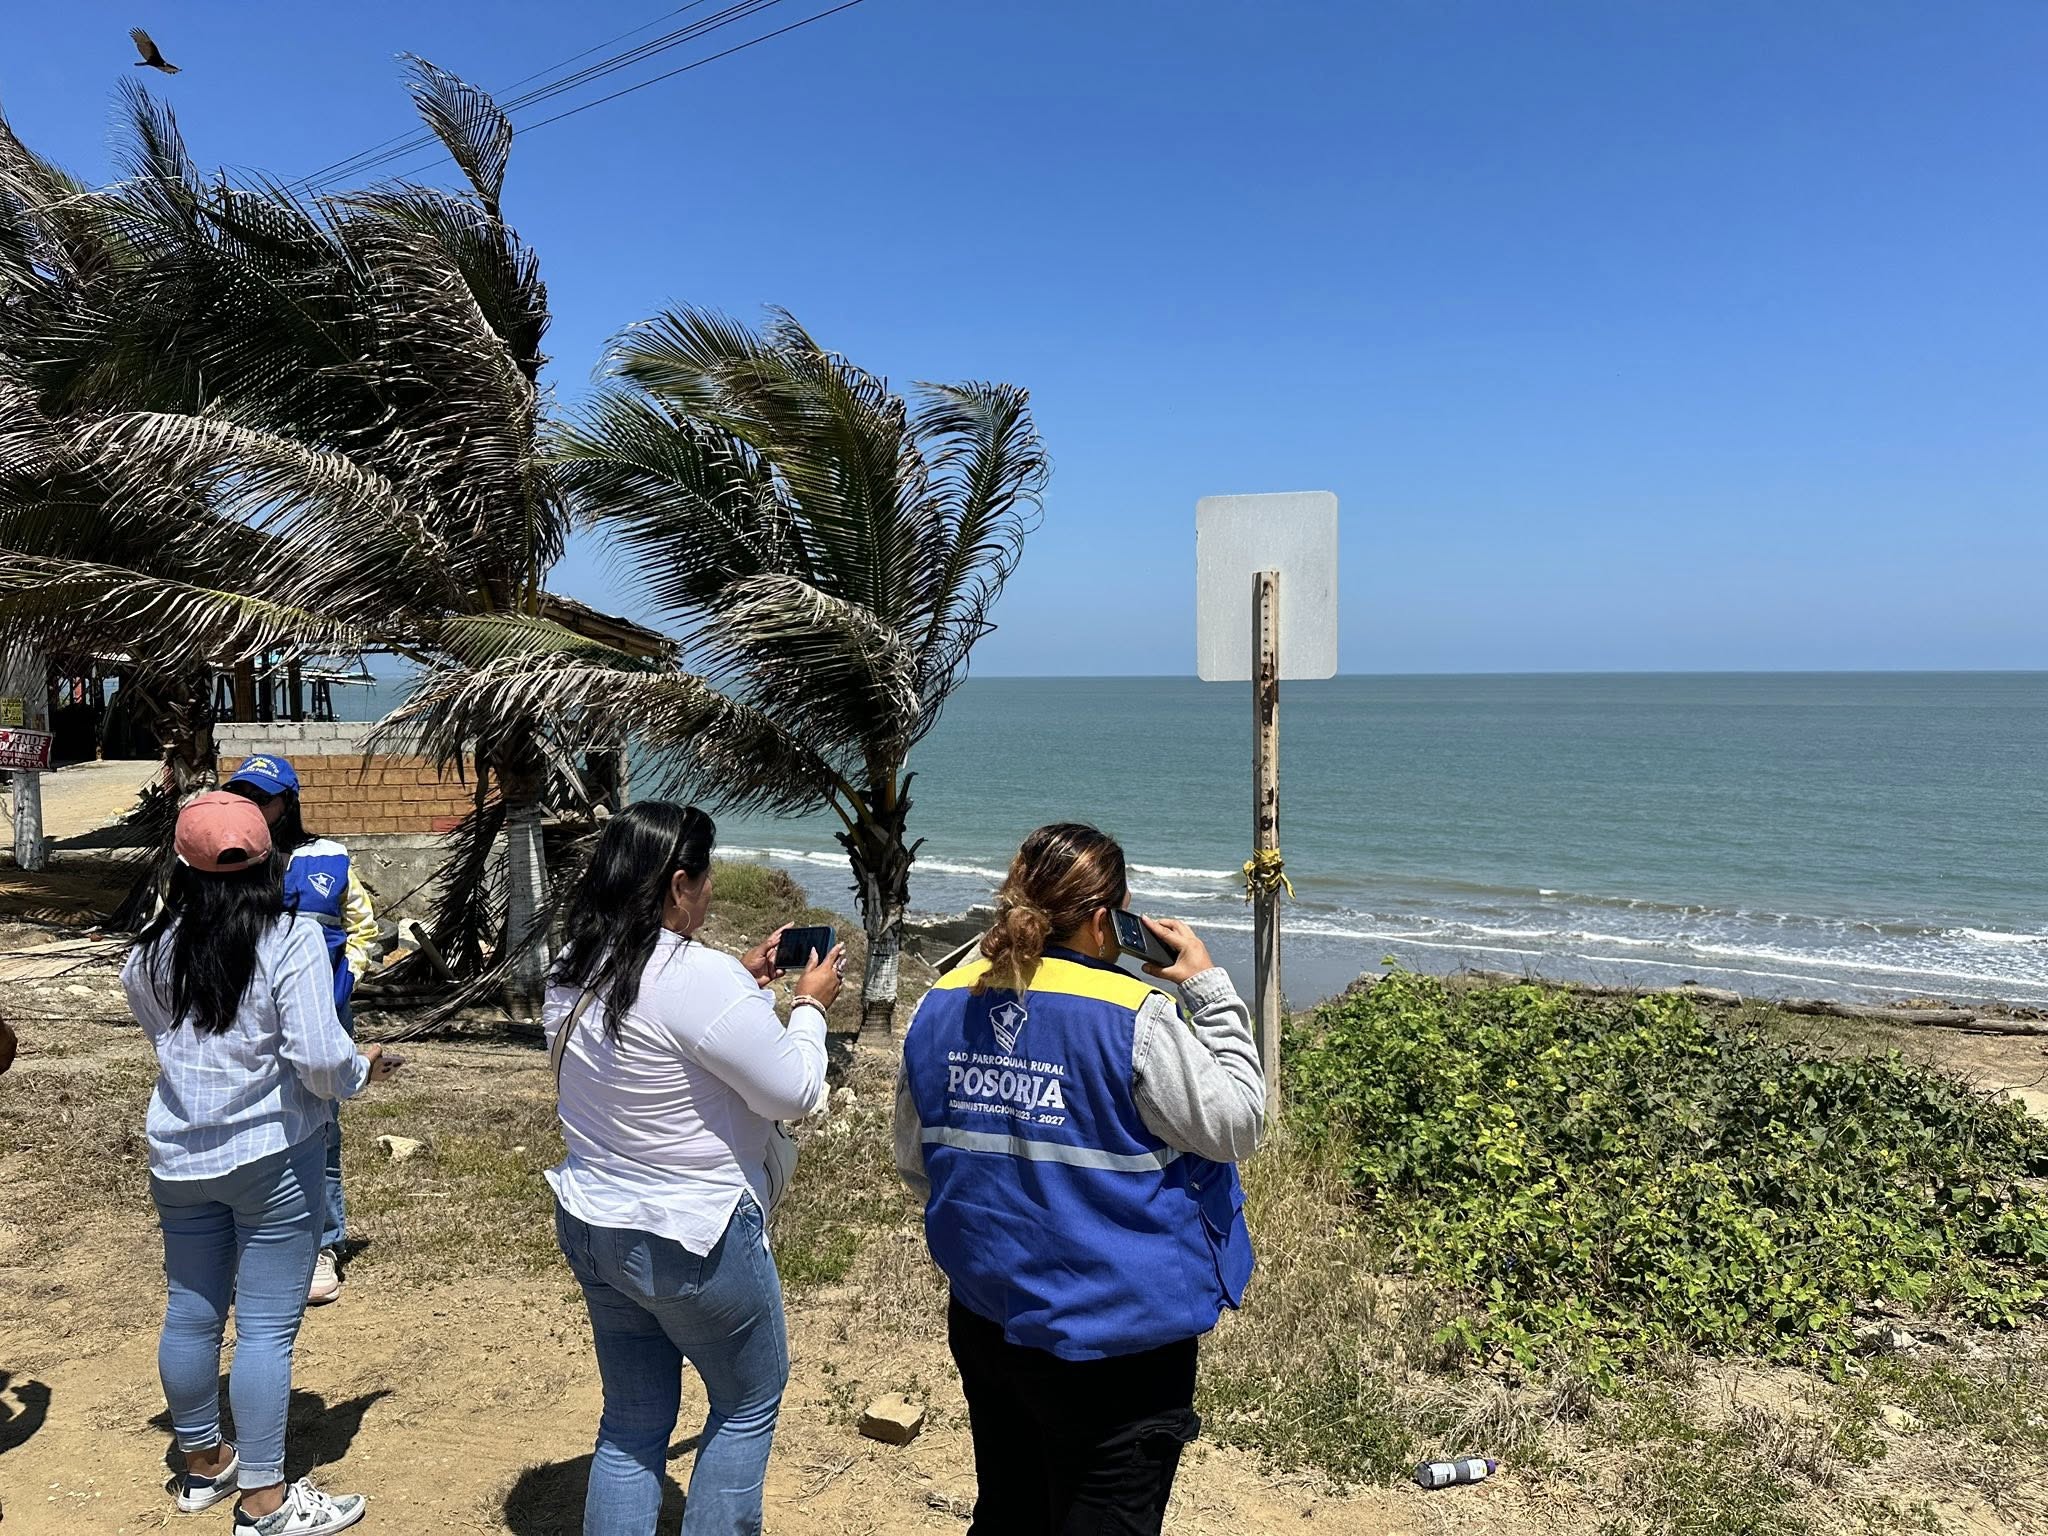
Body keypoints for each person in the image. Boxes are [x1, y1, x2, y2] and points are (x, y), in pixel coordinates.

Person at [895, 823, 1265, 1536]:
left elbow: (919, 1163)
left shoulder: (941, 1000)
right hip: (1119, 1343)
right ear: (1105, 921)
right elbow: (1238, 1123)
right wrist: (1209, 990)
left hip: (988, 1314)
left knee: (1010, 1511)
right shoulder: (1135, 1014)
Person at [544, 802, 845, 1536]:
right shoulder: (699, 978)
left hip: (592, 1217)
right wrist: (809, 1009)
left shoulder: (574, 963)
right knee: (746, 1404)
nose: (710, 889)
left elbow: (652, 1024)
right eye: (705, 876)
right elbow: (794, 1093)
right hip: (695, 1234)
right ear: (679, 884)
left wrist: (743, 980)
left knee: (632, 1421)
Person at [126, 791, 400, 1535]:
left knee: (191, 1312)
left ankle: (202, 1465)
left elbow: (162, 1035)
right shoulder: (291, 938)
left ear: (180, 867)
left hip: (179, 1156)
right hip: (275, 1156)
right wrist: (364, 1069)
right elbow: (320, 1059)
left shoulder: (150, 949)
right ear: (269, 860)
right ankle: (265, 1503)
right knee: (266, 1331)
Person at [222, 754, 378, 1306]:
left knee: (322, 1130)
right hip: (248, 1021)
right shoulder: (226, 858)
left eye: (263, 798)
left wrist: (345, 981)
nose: (253, 806)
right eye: (242, 795)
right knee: (249, 1124)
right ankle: (252, 1243)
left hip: (323, 1014)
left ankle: (323, 1244)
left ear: (287, 802)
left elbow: (362, 926)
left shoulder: (328, 858)